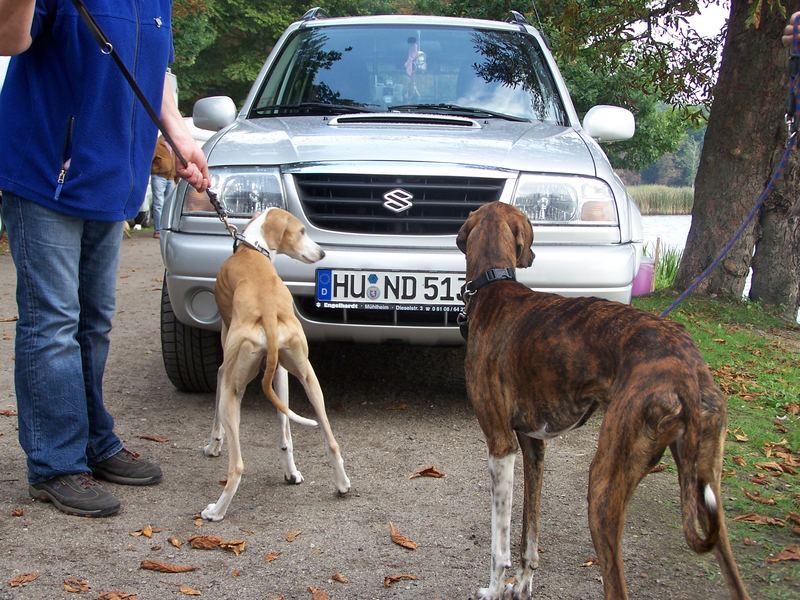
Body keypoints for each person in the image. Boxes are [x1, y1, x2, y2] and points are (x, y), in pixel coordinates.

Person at [0, 0, 209, 518]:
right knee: (53, 322)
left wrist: (181, 138)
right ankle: (55, 464)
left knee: (93, 322)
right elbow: (9, 40)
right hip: (45, 171)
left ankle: (95, 442)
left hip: (112, 179)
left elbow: (153, 71)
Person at [150, 135, 178, 239]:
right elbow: (150, 159)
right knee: (158, 204)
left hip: (171, 178)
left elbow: (176, 161)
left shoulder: (174, 144)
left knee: (169, 205)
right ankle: (158, 230)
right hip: (158, 176)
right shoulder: (157, 143)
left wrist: (176, 177)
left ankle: (166, 229)